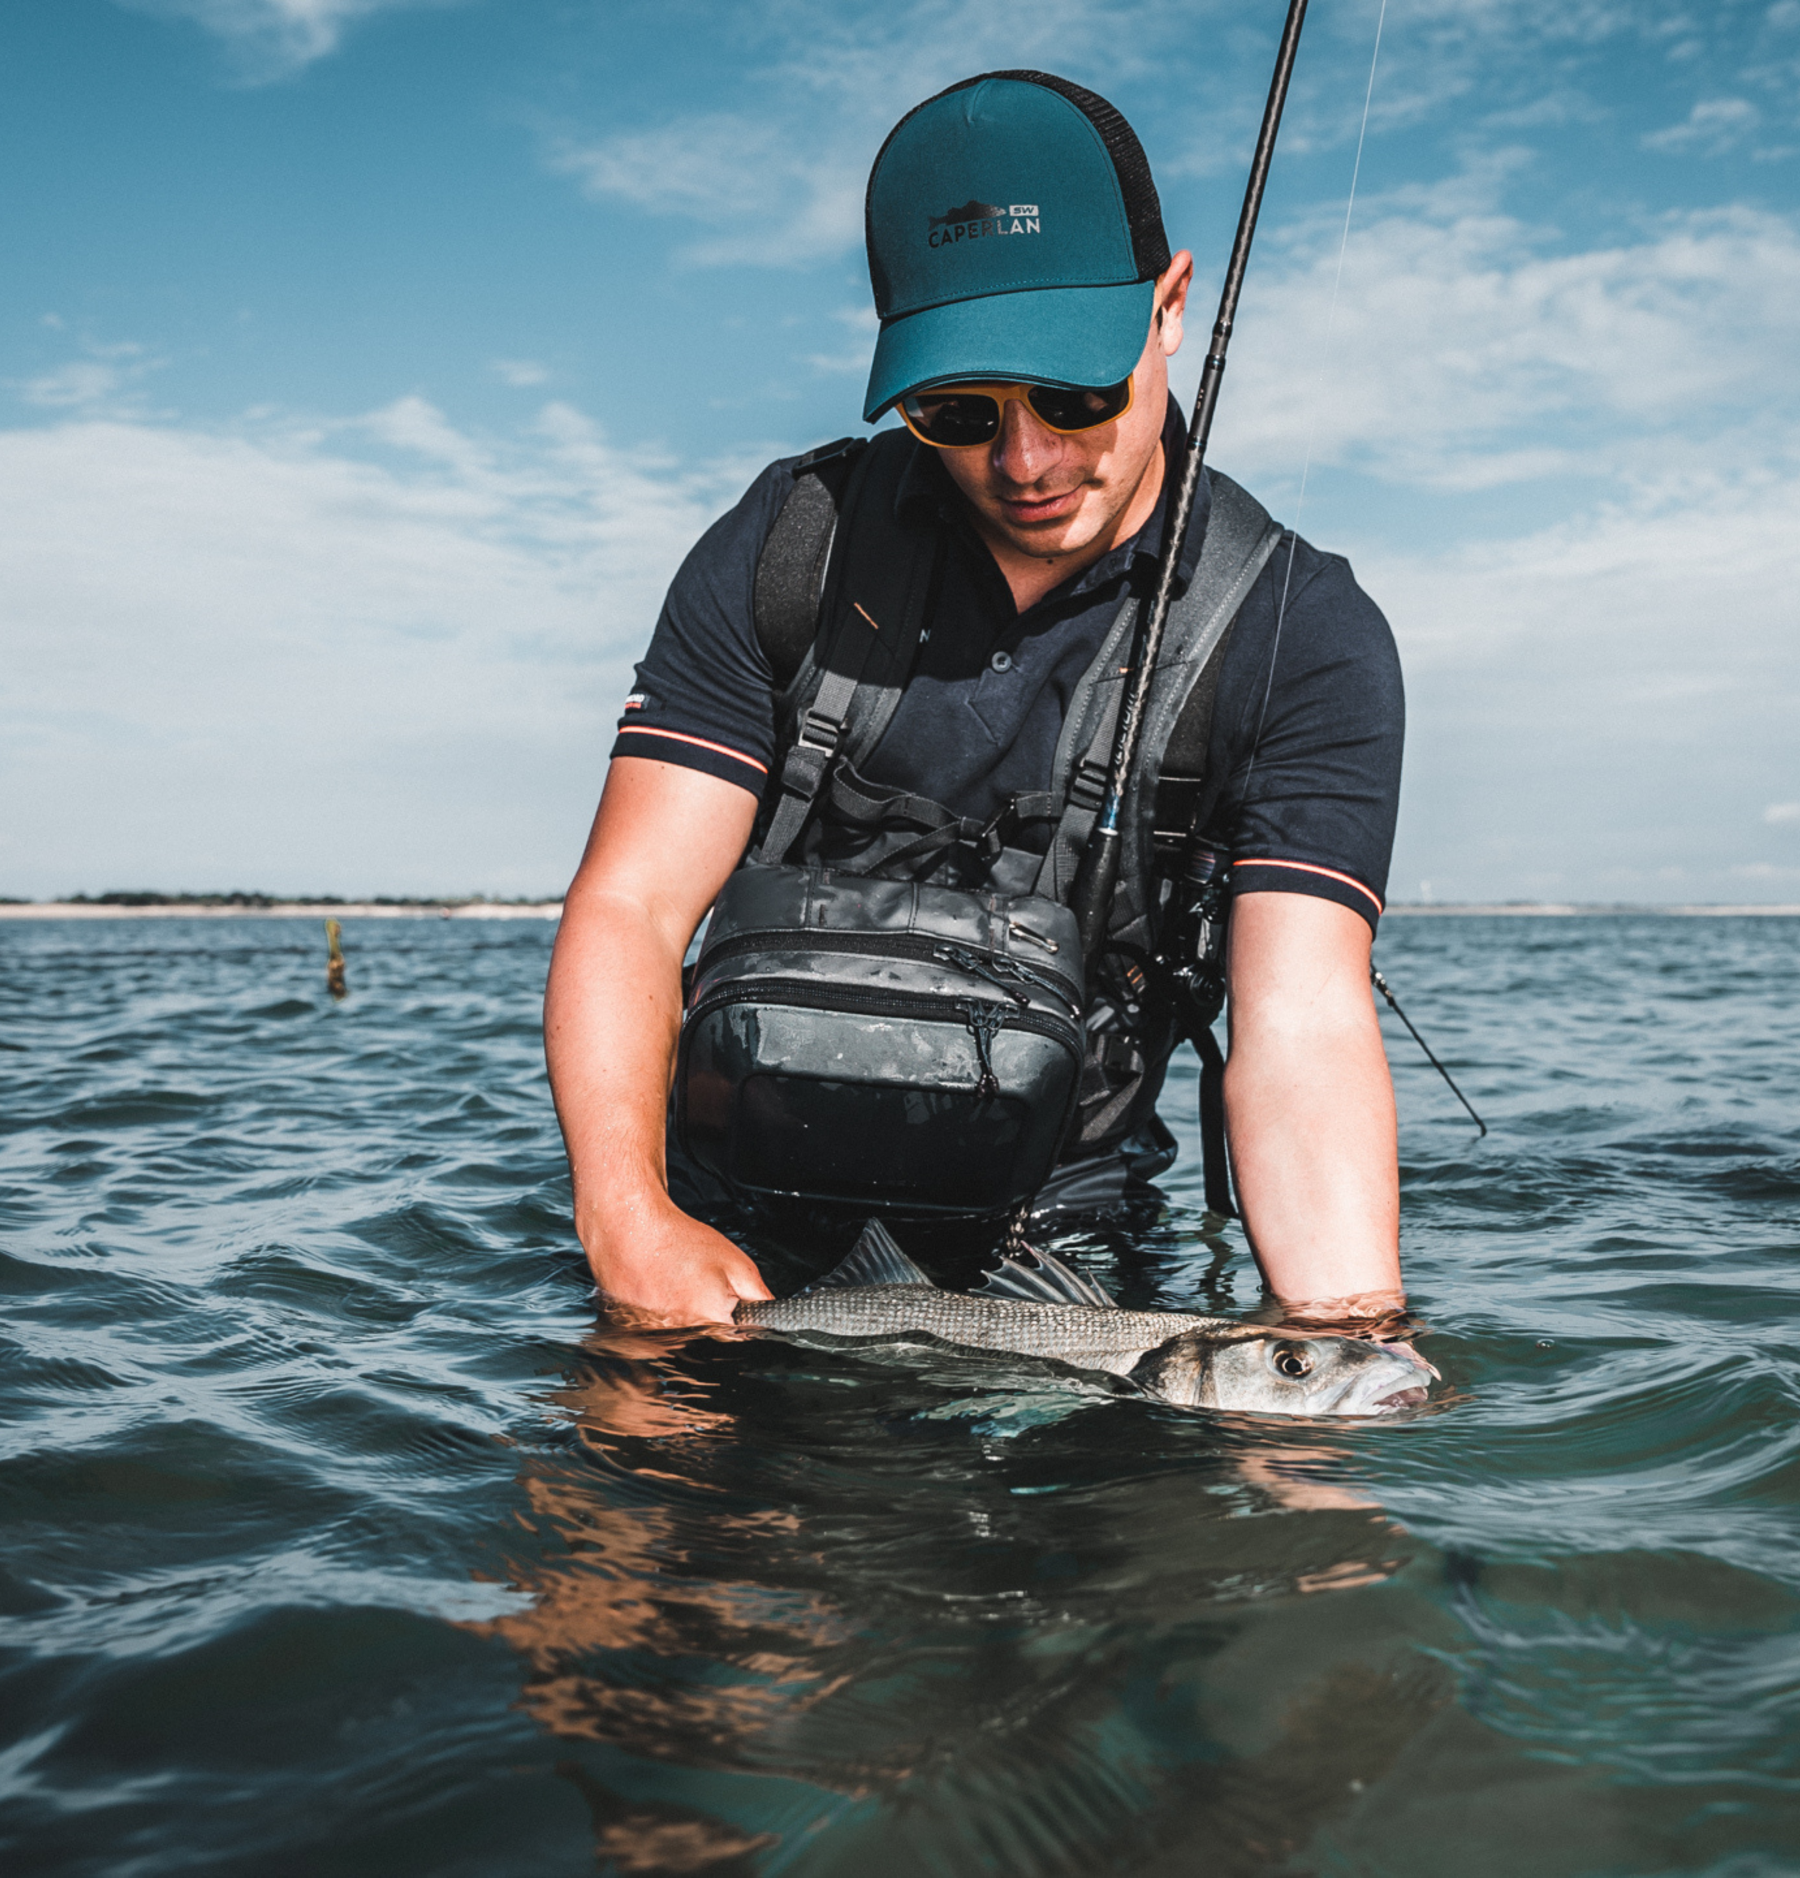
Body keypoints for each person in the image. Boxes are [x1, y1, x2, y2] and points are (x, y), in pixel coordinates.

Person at [545, 71, 1404, 1328]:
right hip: (718, 1235)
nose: (1027, 461)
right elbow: (628, 904)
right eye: (958, 408)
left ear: (1169, 309)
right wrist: (626, 1217)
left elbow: (1306, 1026)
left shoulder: (1306, 634)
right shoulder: (788, 547)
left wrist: (1341, 1346)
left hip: (1065, 1249)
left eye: (1072, 393)